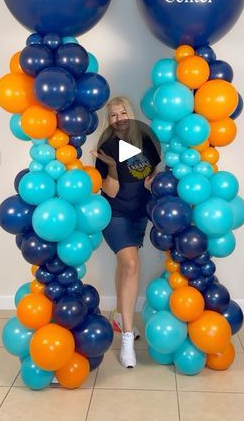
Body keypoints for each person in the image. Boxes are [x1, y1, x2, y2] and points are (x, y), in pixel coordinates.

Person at [90, 96, 161, 368]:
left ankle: (121, 317)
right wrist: (109, 166)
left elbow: (147, 175)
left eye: (122, 113)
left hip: (138, 214)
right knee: (131, 264)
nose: (118, 119)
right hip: (115, 214)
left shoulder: (141, 143)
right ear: (109, 122)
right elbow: (112, 190)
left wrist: (151, 179)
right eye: (113, 116)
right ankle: (128, 339)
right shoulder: (107, 147)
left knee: (125, 266)